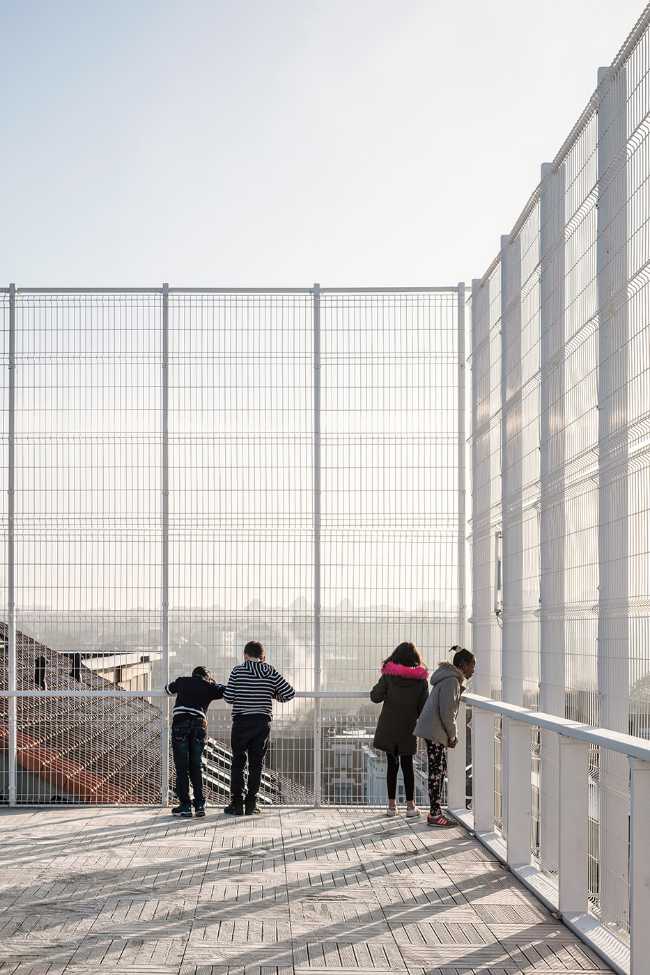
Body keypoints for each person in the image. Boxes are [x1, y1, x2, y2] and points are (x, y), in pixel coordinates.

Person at [222, 641, 295, 816]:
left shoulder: (238, 671)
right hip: (262, 723)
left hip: (241, 722)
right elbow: (289, 693)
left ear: (246, 655)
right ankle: (251, 804)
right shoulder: (269, 670)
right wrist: (273, 694)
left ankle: (236, 803)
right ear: (263, 656)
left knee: (238, 762)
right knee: (257, 764)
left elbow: (228, 697)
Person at [414, 646, 475, 827]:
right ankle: (435, 814)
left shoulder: (448, 679)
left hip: (432, 729)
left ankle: (436, 812)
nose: (473, 670)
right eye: (472, 665)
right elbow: (448, 712)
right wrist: (453, 735)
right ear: (463, 665)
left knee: (438, 770)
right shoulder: (451, 682)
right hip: (436, 731)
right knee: (437, 772)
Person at [370, 641, 429, 817]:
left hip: (389, 726)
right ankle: (410, 807)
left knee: (391, 765)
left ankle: (391, 806)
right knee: (407, 765)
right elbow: (423, 707)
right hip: (408, 727)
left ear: (395, 656)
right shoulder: (421, 681)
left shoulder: (389, 676)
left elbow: (375, 697)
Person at [164, 666, 225, 818]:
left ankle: (185, 805)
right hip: (199, 724)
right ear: (206, 677)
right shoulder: (209, 686)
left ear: (193, 675)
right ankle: (199, 804)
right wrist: (212, 683)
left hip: (181, 723)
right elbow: (226, 691)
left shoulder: (183, 681)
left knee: (182, 767)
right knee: (196, 765)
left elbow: (167, 689)